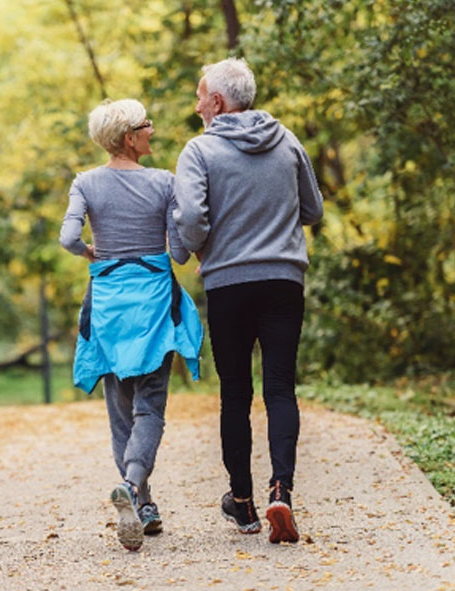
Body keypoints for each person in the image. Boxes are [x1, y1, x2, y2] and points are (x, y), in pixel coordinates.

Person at [173, 58, 324, 544]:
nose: (197, 105)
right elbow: (313, 209)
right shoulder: (288, 140)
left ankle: (242, 504)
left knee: (235, 393)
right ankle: (282, 489)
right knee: (280, 388)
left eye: (200, 96)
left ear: (217, 102)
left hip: (229, 285)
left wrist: (202, 248)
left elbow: (192, 218)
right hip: (284, 280)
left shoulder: (199, 150)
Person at [60, 99, 203, 552]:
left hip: (107, 305)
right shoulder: (164, 183)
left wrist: (91, 254)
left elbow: (67, 238)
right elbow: (179, 253)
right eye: (145, 125)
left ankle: (141, 502)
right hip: (154, 304)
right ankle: (134, 482)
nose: (152, 129)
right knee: (151, 406)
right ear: (129, 137)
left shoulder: (85, 183)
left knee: (120, 409)